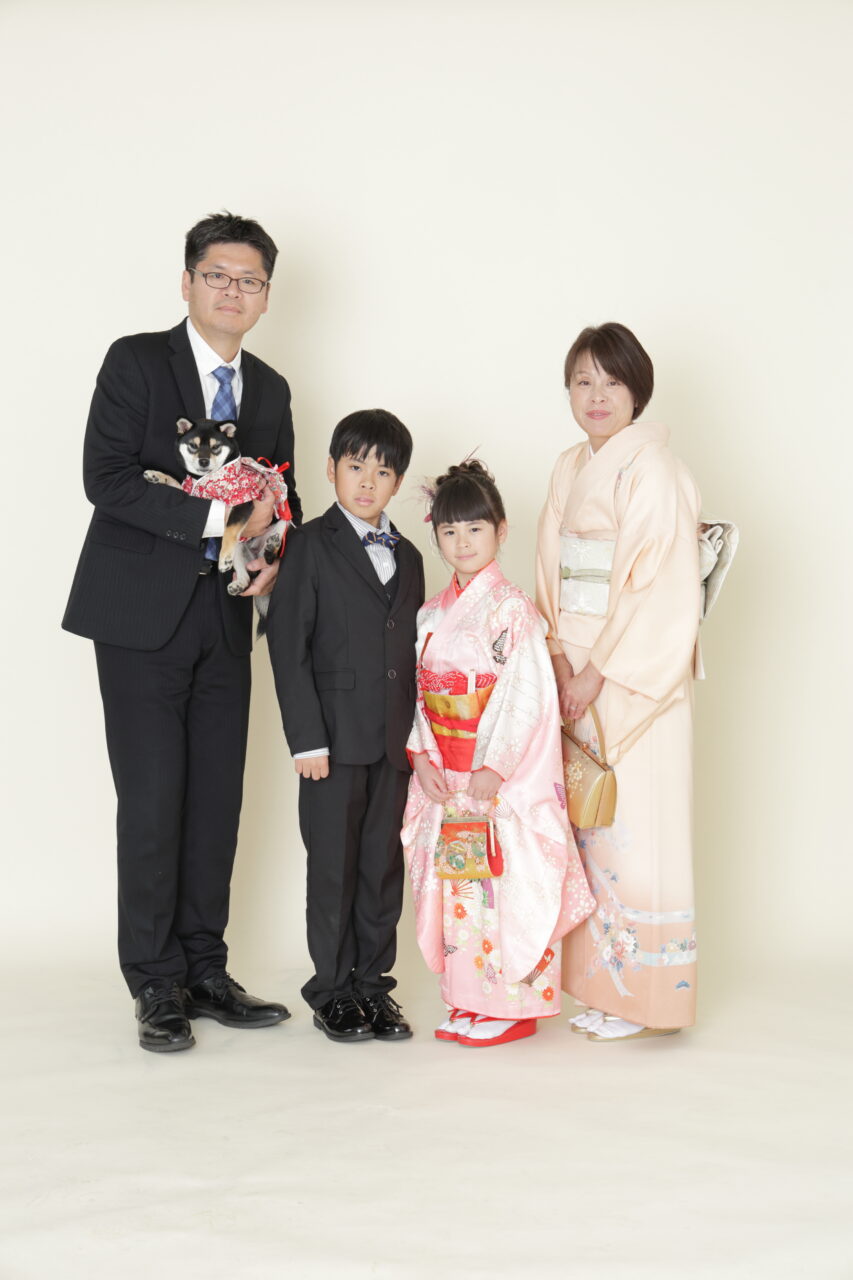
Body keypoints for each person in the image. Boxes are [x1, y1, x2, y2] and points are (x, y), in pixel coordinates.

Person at [63, 212, 300, 1053]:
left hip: (224, 616)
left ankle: (205, 969)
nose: (233, 291)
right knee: (153, 802)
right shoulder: (136, 361)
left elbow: (282, 500)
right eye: (218, 276)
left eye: (250, 281)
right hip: (137, 617)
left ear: (266, 296)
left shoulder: (270, 389)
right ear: (188, 282)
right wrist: (223, 519)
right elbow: (107, 478)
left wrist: (273, 552)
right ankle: (155, 981)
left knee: (215, 804)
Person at [536, 322, 702, 1041]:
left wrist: (596, 671)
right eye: (583, 381)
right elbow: (548, 570)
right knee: (590, 829)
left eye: (611, 381)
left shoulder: (654, 469)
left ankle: (645, 997)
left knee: (638, 829)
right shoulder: (568, 466)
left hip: (631, 673)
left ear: (637, 390)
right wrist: (558, 658)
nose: (596, 396)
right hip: (575, 667)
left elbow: (658, 583)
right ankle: (602, 987)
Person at [401, 461, 595, 1048]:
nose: (462, 542)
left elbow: (527, 695)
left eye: (475, 529)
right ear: (436, 536)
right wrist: (423, 758)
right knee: (461, 887)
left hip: (496, 778)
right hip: (448, 773)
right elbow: (418, 694)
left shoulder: (513, 609)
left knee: (505, 885)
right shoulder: (430, 614)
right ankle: (468, 999)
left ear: (501, 530)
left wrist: (494, 766)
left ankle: (512, 1006)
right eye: (449, 531)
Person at [266, 410, 424, 1043]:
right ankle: (331, 990)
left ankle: (373, 986)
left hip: (394, 741)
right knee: (333, 868)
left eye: (382, 473)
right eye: (355, 467)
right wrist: (306, 738)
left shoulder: (412, 556)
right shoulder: (307, 544)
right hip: (329, 741)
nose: (366, 482)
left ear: (398, 482)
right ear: (331, 469)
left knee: (382, 868)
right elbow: (288, 646)